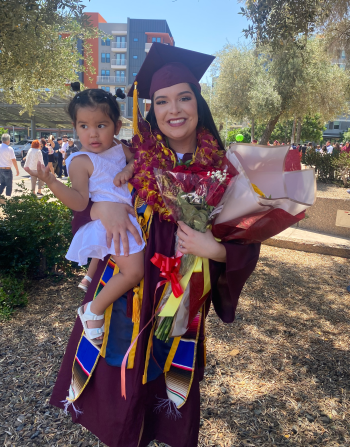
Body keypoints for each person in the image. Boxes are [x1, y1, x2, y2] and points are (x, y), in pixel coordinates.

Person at [49, 44, 261, 447]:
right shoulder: (134, 157)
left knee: (168, 373)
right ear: (152, 108)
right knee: (121, 370)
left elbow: (248, 239)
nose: (173, 109)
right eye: (161, 100)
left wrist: (215, 250)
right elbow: (84, 204)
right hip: (126, 290)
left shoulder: (224, 168)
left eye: (184, 97)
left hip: (181, 294)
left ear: (198, 102)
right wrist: (97, 212)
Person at [25, 88, 145, 345]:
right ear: (75, 127)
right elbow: (79, 202)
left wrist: (129, 167)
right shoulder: (80, 160)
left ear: (116, 126)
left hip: (128, 216)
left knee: (130, 269)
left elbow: (139, 160)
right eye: (84, 125)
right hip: (108, 224)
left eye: (101, 125)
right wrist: (52, 182)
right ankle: (93, 310)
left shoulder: (119, 147)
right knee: (134, 272)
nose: (93, 133)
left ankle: (91, 281)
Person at [0, 133, 19, 197]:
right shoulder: (9, 149)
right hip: (7, 170)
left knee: (2, 184)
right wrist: (17, 170)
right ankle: (8, 199)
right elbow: (13, 160)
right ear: (8, 140)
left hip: (0, 169)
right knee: (9, 185)